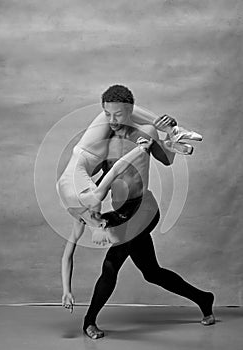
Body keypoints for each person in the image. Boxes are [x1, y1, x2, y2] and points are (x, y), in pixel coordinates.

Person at [60, 85, 215, 340]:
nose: (112, 121)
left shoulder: (145, 131)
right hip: (122, 212)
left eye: (118, 115)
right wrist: (84, 202)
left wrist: (167, 136)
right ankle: (203, 298)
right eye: (107, 115)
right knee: (152, 272)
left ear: (130, 112)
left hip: (143, 209)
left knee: (111, 265)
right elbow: (98, 179)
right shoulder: (104, 141)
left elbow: (166, 159)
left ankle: (89, 322)